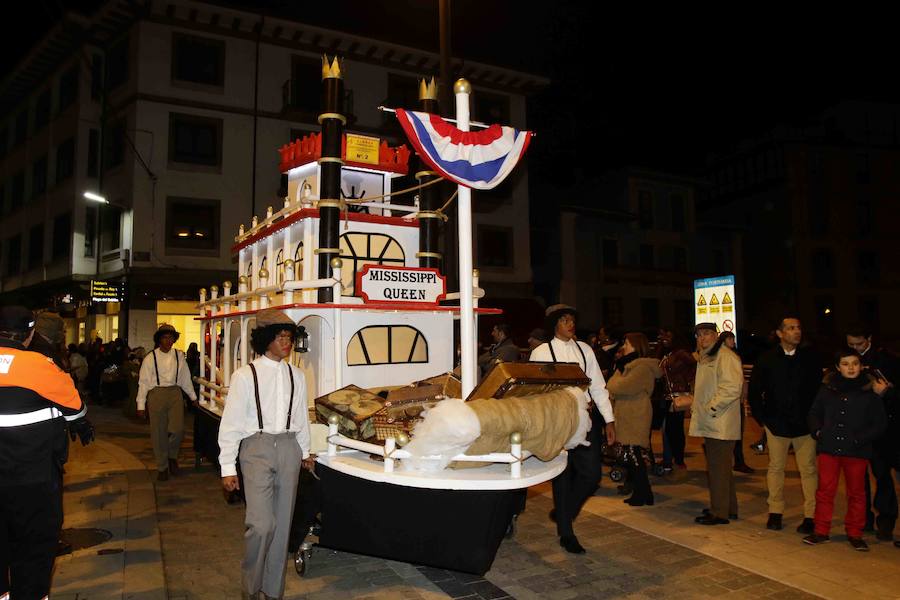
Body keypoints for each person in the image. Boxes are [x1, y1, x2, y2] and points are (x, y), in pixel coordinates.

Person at [218, 309, 312, 600]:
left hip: (288, 447)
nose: (286, 342)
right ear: (265, 339)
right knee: (261, 525)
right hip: (255, 448)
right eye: (280, 337)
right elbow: (231, 422)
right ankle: (251, 588)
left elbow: (301, 418)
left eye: (289, 337)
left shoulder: (297, 375)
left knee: (282, 526)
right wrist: (227, 467)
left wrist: (306, 451)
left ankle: (273, 592)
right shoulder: (245, 375)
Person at [0, 306, 86, 599]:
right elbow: (75, 409)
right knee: (34, 546)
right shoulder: (40, 366)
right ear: (30, 333)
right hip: (32, 477)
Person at [530, 304, 615, 553]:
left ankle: (564, 511)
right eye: (565, 320)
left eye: (572, 320)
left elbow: (598, 387)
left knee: (592, 476)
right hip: (559, 423)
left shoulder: (585, 349)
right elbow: (536, 392)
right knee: (562, 477)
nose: (570, 324)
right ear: (555, 324)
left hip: (586, 420)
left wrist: (609, 420)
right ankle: (566, 532)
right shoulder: (542, 352)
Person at [804, 349, 888, 551]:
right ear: (837, 367)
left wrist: (860, 439)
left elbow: (879, 423)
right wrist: (817, 432)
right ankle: (821, 531)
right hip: (829, 449)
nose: (850, 368)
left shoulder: (870, 391)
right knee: (825, 491)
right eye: (845, 364)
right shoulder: (827, 388)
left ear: (861, 366)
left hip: (856, 451)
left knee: (857, 493)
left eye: (855, 363)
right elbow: (814, 412)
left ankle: (855, 533)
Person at [748, 317, 822, 534]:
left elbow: (818, 392)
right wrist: (763, 419)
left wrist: (816, 420)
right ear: (780, 333)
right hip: (777, 424)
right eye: (791, 328)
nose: (796, 331)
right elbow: (754, 391)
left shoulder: (810, 359)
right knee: (775, 468)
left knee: (808, 470)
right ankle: (775, 512)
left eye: (799, 327)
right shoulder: (767, 358)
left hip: (804, 426)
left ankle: (810, 515)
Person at [846, 325, 899, 542]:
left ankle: (885, 521)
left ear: (868, 338)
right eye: (851, 345)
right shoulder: (848, 359)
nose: (856, 349)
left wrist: (886, 392)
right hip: (858, 426)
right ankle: (863, 519)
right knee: (858, 478)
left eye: (859, 344)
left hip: (883, 429)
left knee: (882, 475)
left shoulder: (887, 359)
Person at [688, 322, 744, 525]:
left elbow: (731, 388)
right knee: (721, 468)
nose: (702, 338)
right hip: (714, 421)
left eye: (706, 334)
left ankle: (719, 512)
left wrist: (711, 408)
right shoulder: (707, 357)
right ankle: (728, 507)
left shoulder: (724, 356)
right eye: (699, 335)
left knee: (718, 469)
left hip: (719, 422)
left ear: (715, 335)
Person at [136, 324, 197, 481]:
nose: (168, 340)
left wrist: (193, 397)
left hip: (175, 393)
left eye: (171, 337)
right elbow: (143, 383)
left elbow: (185, 378)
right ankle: (162, 466)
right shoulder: (150, 358)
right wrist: (140, 405)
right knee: (158, 432)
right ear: (159, 340)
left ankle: (172, 456)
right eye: (165, 337)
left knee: (178, 430)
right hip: (156, 394)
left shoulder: (179, 356)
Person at [606, 332, 661, 506]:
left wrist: (616, 376)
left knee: (633, 454)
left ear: (637, 345)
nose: (624, 346)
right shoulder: (627, 366)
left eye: (628, 343)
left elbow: (618, 386)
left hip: (636, 415)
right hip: (628, 414)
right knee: (632, 454)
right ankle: (644, 493)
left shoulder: (642, 367)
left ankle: (642, 493)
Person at [656, 328, 695, 471]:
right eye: (663, 336)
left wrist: (684, 379)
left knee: (674, 429)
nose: (665, 338)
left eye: (668, 335)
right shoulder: (666, 353)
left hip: (677, 395)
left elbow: (693, 363)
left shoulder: (680, 353)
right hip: (666, 396)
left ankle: (678, 459)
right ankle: (669, 460)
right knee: (667, 429)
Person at [719, 332, 754, 474]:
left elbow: (741, 379)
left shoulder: (734, 355)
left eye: (733, 338)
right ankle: (733, 461)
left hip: (737, 400)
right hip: (728, 401)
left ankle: (738, 461)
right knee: (730, 433)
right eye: (729, 338)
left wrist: (744, 394)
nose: (732, 340)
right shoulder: (723, 356)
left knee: (738, 432)